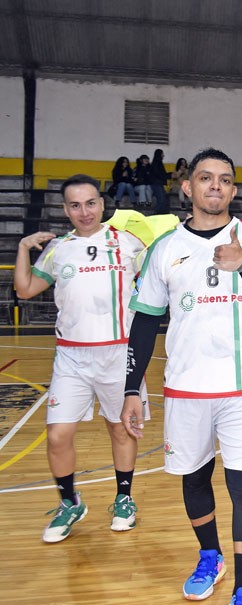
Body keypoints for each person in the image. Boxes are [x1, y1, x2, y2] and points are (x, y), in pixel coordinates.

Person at [120, 148, 242, 605]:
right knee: (194, 479)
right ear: (188, 188)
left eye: (224, 179)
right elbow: (144, 323)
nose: (215, 186)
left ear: (233, 190)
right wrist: (131, 388)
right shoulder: (165, 249)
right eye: (205, 178)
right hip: (185, 389)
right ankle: (210, 555)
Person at [15, 174, 148, 543]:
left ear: (102, 204)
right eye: (75, 205)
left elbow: (162, 273)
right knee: (58, 435)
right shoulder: (59, 248)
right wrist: (24, 247)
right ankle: (70, 502)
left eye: (90, 203)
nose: (84, 211)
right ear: (65, 209)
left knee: (119, 428)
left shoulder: (129, 242)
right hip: (71, 357)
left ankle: (124, 498)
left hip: (119, 352)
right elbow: (25, 289)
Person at [150, 148, 170, 215]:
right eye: (162, 154)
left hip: (158, 184)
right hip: (157, 184)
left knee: (163, 200)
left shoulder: (156, 163)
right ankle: (155, 214)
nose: (163, 156)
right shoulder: (157, 164)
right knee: (161, 201)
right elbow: (160, 174)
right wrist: (170, 175)